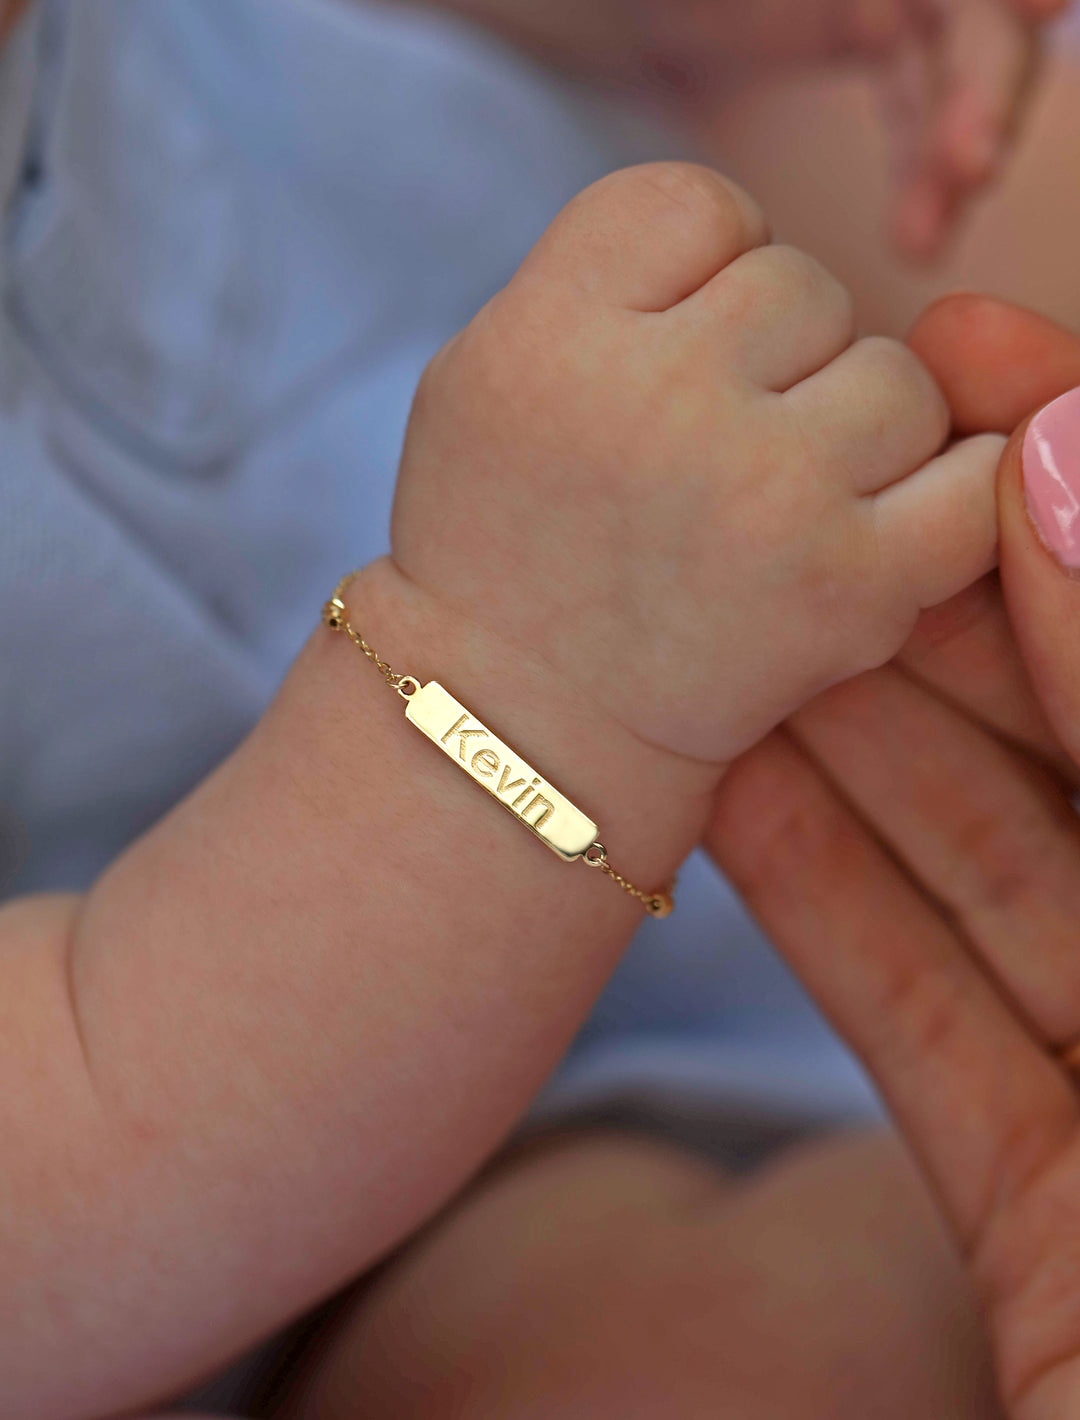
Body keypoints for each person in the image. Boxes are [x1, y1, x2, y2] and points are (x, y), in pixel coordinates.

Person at [0, 2, 1063, 1417]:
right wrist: (514, 676)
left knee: (1000, 199)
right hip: (374, 1203)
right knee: (675, 1370)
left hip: (782, 484)